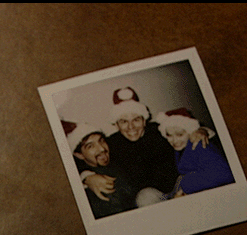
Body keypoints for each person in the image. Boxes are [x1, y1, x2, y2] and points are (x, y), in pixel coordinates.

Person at [82, 87, 213, 204]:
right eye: (124, 122)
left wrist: (201, 131)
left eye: (136, 120)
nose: (131, 127)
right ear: (116, 125)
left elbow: (195, 130)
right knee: (145, 198)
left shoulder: (159, 130)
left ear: (144, 121)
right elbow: (82, 158)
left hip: (180, 184)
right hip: (151, 197)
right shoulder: (112, 143)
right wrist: (87, 177)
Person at [62, 120, 138, 219]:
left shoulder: (117, 157)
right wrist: (84, 177)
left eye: (101, 141)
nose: (102, 148)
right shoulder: (96, 186)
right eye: (90, 146)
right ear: (79, 155)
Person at [155, 108, 234, 198]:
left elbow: (226, 174)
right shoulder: (179, 147)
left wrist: (186, 185)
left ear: (191, 132)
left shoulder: (199, 145)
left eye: (180, 134)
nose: (174, 140)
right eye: (169, 135)